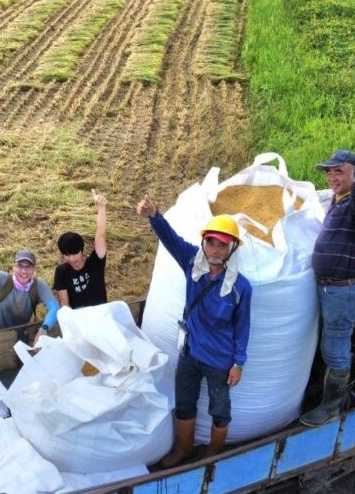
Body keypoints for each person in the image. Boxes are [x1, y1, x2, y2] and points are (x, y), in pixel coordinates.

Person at [136, 197, 252, 467]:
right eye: (211, 242)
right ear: (204, 244)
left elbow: (242, 326)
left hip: (220, 360)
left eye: (222, 245)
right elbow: (170, 239)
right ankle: (184, 449)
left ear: (232, 249)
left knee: (220, 410)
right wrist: (155, 215)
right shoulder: (192, 263)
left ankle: (213, 453)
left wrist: (239, 363)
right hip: (190, 353)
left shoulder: (240, 287)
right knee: (185, 403)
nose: (215, 249)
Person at [300, 149, 355, 427]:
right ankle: (321, 391)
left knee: (334, 348)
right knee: (327, 344)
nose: (332, 176)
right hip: (330, 288)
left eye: (339, 171)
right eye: (329, 171)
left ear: (354, 175)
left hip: (343, 292)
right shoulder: (337, 199)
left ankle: (332, 406)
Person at [0, 228, 60, 344]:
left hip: (20, 335)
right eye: (20, 266)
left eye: (28, 267)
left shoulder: (39, 285)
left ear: (34, 269)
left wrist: (43, 330)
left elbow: (54, 307)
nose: (24, 271)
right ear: (13, 267)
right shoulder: (3, 279)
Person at [53, 190, 108, 309]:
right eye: (67, 255)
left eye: (75, 253)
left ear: (82, 251)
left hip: (100, 314)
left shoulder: (96, 262)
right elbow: (65, 306)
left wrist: (101, 207)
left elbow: (100, 235)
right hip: (78, 319)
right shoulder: (61, 272)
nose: (72, 259)